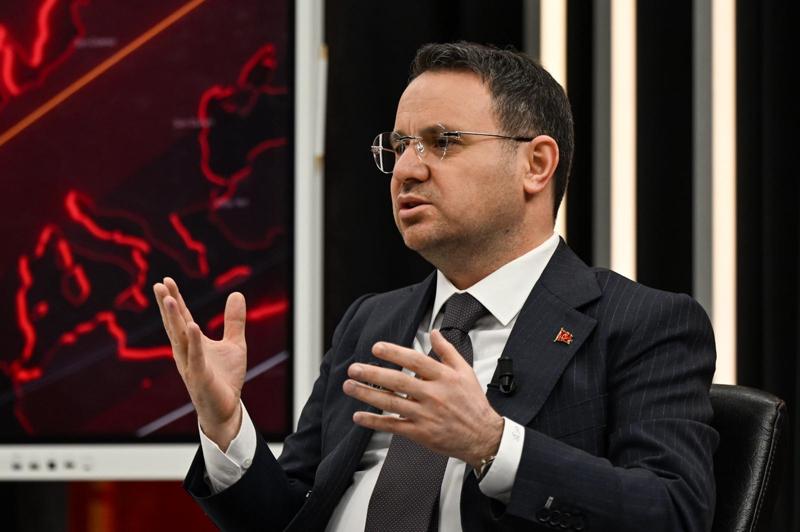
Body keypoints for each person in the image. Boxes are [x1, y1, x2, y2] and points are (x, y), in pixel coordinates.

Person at [153, 42, 717, 532]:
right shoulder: (371, 321)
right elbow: (290, 517)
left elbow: (674, 513)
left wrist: (492, 445)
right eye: (399, 146)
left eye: (442, 141)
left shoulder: (641, 323)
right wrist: (226, 426)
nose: (406, 170)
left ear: (536, 164)